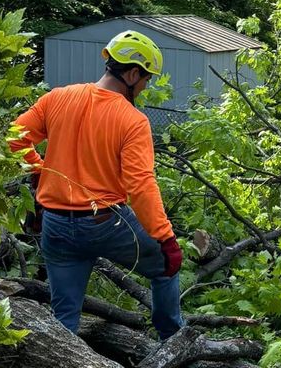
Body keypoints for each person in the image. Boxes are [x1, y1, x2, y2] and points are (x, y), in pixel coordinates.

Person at [10, 30, 184, 339]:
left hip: (56, 224)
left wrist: (39, 169)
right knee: (166, 268)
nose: (145, 86)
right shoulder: (132, 120)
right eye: (146, 79)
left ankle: (63, 366)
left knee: (64, 316)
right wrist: (165, 239)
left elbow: (14, 138)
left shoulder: (58, 97)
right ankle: (172, 339)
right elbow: (140, 184)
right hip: (106, 223)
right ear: (132, 73)